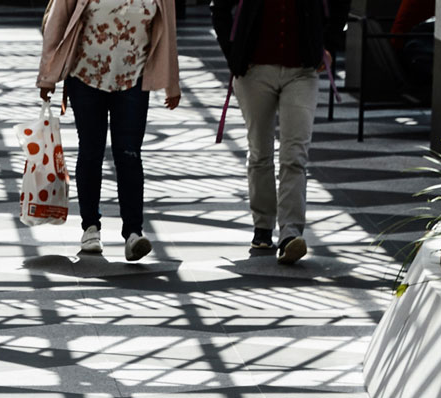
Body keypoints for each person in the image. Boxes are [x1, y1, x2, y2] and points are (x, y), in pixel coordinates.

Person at [37, 0, 183, 262]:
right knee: (91, 151)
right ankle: (90, 228)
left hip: (133, 79)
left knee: (129, 154)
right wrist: (47, 78)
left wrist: (172, 84)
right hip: (85, 77)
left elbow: (168, 32)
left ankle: (133, 233)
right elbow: (56, 23)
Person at [211, 0, 347, 266]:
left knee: (295, 154)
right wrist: (233, 54)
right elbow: (219, 8)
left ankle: (290, 232)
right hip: (253, 70)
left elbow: (340, 6)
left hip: (303, 71)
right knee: (260, 151)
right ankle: (263, 226)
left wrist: (329, 46)